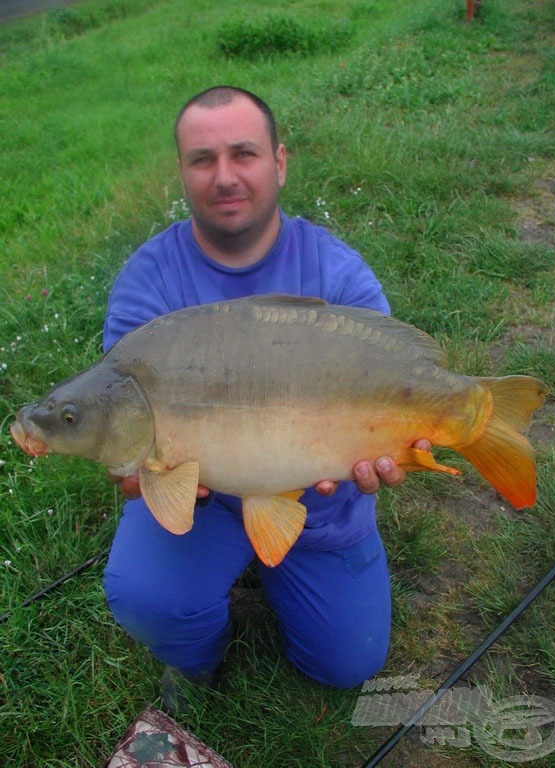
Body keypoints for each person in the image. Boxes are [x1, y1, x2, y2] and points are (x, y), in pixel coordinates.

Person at [103, 85, 428, 705]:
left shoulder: (339, 276)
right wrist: (135, 471)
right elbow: (120, 416)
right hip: (200, 500)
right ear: (182, 172)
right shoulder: (149, 283)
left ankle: (286, 567)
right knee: (147, 597)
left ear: (279, 162)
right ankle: (199, 659)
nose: (224, 176)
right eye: (203, 159)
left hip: (324, 497)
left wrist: (389, 453)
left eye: (243, 154)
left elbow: (393, 387)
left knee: (347, 664)